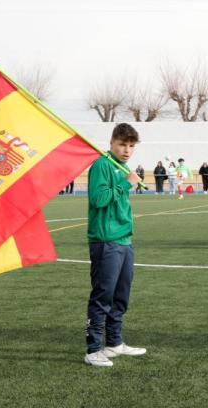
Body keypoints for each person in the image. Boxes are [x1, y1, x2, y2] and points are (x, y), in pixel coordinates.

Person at [84, 123, 146, 368]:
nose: (127, 150)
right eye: (122, 144)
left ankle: (114, 343)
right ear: (111, 142)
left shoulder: (123, 167)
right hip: (105, 240)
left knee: (121, 295)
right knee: (103, 295)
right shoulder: (102, 165)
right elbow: (98, 199)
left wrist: (126, 179)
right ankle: (92, 349)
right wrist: (125, 183)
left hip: (123, 239)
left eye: (131, 146)